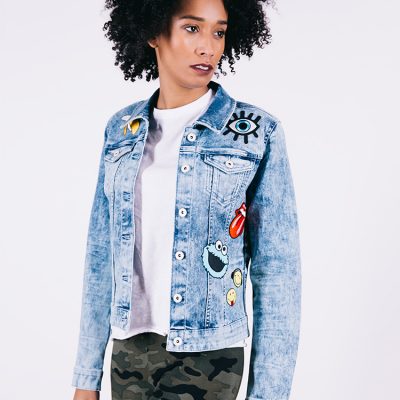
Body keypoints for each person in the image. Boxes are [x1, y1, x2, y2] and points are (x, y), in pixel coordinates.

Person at [72, 0, 302, 399]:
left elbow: (278, 272)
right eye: (192, 28)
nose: (208, 47)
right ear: (152, 32)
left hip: (210, 357)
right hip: (129, 354)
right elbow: (100, 258)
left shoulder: (255, 133)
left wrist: (269, 393)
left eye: (219, 32)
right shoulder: (121, 131)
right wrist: (85, 378)